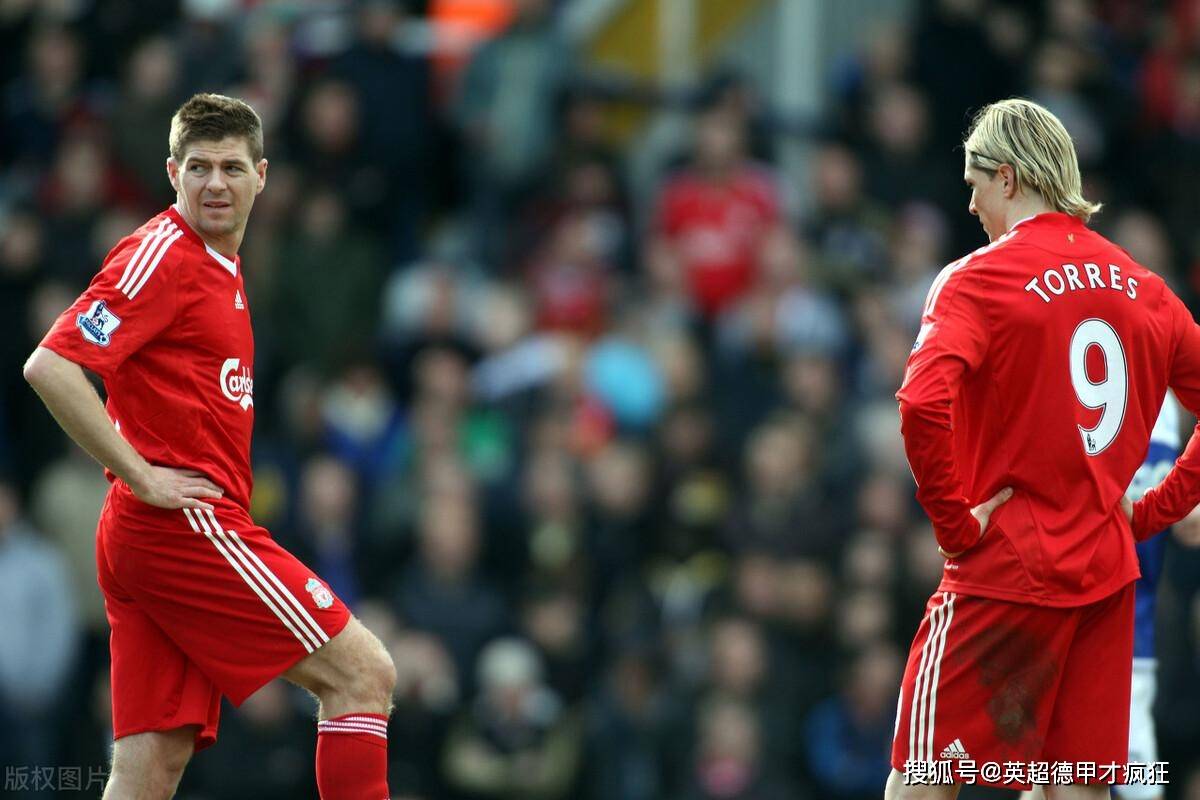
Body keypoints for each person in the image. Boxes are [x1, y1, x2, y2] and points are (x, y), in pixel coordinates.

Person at [23, 93, 395, 800]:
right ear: (172, 172)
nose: (215, 183)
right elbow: (51, 365)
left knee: (149, 770)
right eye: (199, 167)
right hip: (177, 524)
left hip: (156, 531)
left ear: (263, 175)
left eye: (230, 167)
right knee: (362, 674)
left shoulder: (220, 268)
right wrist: (142, 475)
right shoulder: (163, 254)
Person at [888, 97, 1200, 800]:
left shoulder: (978, 279)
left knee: (926, 775)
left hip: (1004, 566)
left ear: (1006, 178)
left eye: (973, 186)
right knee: (1077, 786)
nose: (970, 207)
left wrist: (956, 525)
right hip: (1104, 571)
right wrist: (1150, 511)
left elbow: (919, 401)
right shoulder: (1146, 288)